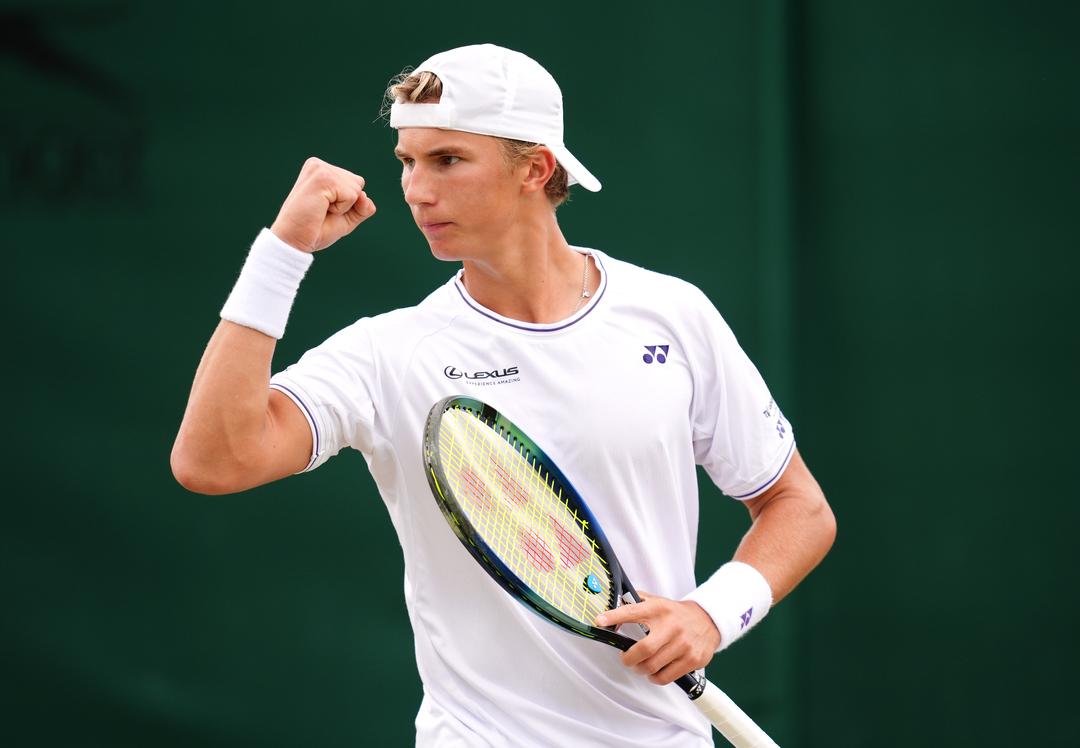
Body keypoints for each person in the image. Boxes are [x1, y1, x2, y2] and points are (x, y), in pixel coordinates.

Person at [171, 43, 836, 747]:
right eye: (407, 161)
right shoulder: (390, 352)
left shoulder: (673, 315)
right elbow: (214, 461)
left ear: (537, 168)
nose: (416, 191)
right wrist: (282, 253)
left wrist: (710, 614)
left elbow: (799, 507)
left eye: (448, 160)